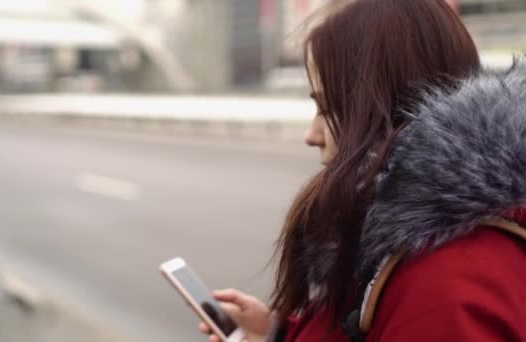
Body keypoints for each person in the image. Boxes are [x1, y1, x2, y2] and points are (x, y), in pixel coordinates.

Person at [200, 0, 526, 341]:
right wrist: (278, 334)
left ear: (381, 108)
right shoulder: (412, 248)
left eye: (326, 109)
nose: (311, 135)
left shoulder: (445, 283)